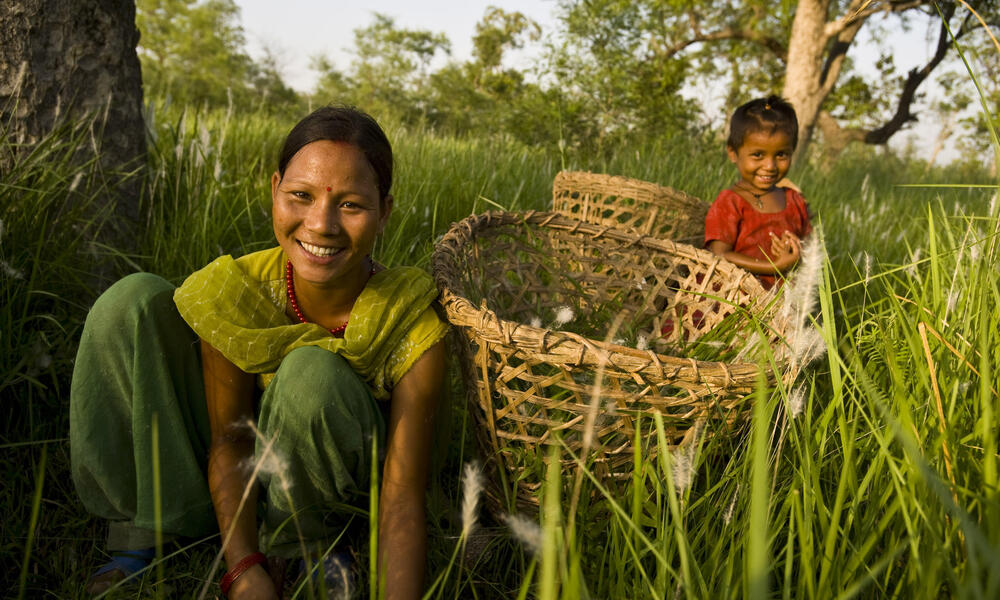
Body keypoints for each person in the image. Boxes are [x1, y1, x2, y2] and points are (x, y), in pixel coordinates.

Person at [70, 106, 449, 599]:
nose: (321, 224)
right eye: (300, 196)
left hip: (338, 491)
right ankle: (150, 526)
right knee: (131, 301)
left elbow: (401, 498)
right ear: (275, 191)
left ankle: (309, 546)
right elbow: (230, 438)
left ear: (385, 213)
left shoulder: (409, 316)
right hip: (237, 475)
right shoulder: (236, 292)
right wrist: (243, 568)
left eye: (351, 205)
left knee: (311, 372)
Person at [704, 95, 812, 289]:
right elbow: (718, 255)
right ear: (733, 153)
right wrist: (773, 267)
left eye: (781, 155)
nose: (769, 166)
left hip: (782, 304)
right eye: (758, 155)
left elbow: (812, 252)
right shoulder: (730, 202)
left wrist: (795, 254)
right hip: (734, 299)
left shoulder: (795, 201)